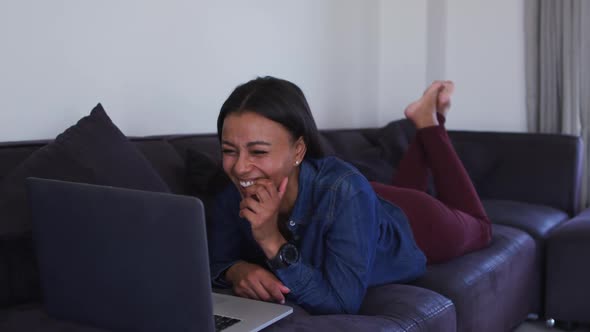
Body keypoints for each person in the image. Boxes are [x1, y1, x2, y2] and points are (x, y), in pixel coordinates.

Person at [207, 76, 492, 315]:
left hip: (413, 223)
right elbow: (213, 260)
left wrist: (271, 240)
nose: (241, 167)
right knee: (388, 191)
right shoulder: (233, 190)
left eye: (258, 152)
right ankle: (425, 116)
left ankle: (431, 122)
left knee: (480, 228)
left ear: (298, 151)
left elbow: (341, 302)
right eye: (229, 150)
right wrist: (236, 270)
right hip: (364, 200)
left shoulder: (345, 191)